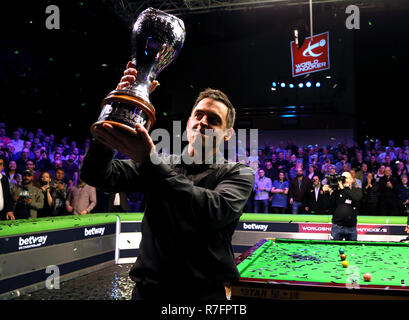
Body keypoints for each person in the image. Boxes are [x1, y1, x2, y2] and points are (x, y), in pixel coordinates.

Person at [80, 62, 254, 301]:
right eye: (198, 115)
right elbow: (97, 175)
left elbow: (212, 211)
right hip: (148, 292)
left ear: (227, 134)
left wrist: (149, 162)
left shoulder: (238, 173)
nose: (202, 122)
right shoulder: (159, 162)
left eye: (213, 119)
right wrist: (117, 110)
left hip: (203, 295)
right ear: (188, 123)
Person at [323, 172, 363, 241]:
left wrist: (343, 188)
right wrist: (326, 193)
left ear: (351, 180)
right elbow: (328, 205)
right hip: (337, 227)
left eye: (346, 178)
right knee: (334, 248)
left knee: (352, 250)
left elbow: (357, 198)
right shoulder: (337, 191)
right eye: (343, 178)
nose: (344, 180)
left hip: (351, 228)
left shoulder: (356, 190)